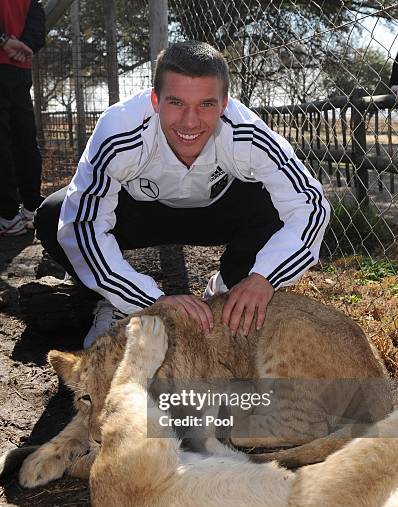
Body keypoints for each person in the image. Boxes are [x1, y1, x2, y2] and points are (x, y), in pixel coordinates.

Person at [35, 41, 330, 348]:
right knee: (55, 213)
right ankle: (114, 303)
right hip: (140, 212)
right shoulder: (118, 130)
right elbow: (82, 224)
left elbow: (309, 204)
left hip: (215, 212)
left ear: (225, 104)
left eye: (206, 104)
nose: (190, 122)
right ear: (155, 100)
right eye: (176, 103)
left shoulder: (248, 132)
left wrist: (264, 278)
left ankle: (229, 291)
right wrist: (149, 300)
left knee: (272, 202)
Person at [0, 0, 45, 237]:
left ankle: (7, 216)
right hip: (20, 68)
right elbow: (37, 19)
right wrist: (24, 45)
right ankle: (31, 208)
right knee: (25, 138)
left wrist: (5, 42)